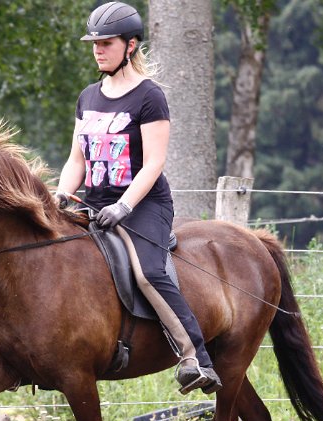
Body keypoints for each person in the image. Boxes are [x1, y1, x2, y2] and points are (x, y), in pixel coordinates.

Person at [54, 1, 222, 395]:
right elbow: (77, 158)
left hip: (143, 205)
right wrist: (62, 194)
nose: (97, 49)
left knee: (148, 270)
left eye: (106, 43)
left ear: (130, 46)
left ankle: (194, 357)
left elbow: (153, 164)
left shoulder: (149, 97)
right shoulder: (88, 97)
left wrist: (124, 206)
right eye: (93, 43)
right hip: (94, 203)